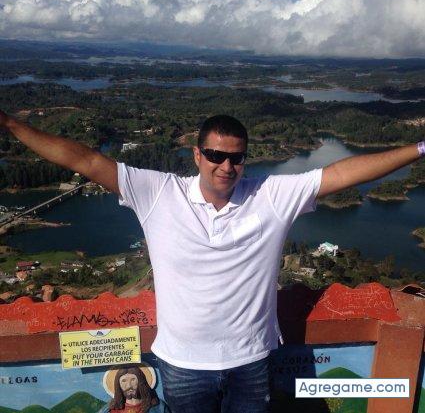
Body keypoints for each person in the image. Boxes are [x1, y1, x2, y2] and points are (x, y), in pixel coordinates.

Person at [0, 110, 423, 412]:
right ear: (197, 155)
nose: (226, 165)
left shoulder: (271, 195)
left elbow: (346, 174)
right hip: (183, 365)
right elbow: (86, 160)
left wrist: (421, 146)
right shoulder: (159, 193)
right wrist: (11, 123)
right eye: (216, 155)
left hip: (251, 360)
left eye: (236, 157)